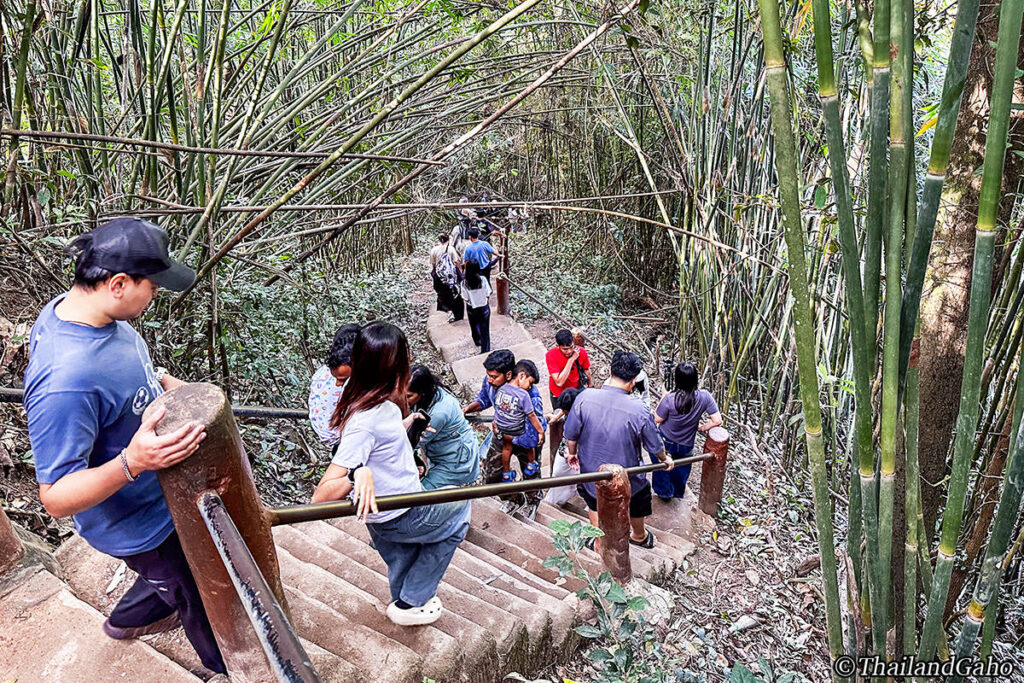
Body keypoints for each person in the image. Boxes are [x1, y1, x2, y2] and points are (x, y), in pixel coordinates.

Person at [23, 217, 226, 674]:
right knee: (201, 599)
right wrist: (133, 462)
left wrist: (163, 389)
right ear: (117, 283)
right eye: (152, 285)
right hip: (139, 526)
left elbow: (119, 389)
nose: (155, 294)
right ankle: (228, 666)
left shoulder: (77, 309)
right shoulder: (66, 382)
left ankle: (134, 616)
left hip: (162, 498)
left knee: (178, 578)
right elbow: (55, 497)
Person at [312, 322, 470, 627]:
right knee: (460, 510)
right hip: (399, 513)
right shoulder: (365, 419)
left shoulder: (378, 401)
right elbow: (320, 495)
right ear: (396, 365)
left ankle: (405, 602)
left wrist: (405, 426)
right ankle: (412, 601)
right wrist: (357, 474)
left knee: (403, 558)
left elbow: (378, 441)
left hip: (384, 515)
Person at [564, 350, 674, 550]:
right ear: (633, 380)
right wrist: (664, 459)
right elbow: (655, 446)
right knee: (636, 499)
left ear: (611, 372)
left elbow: (571, 434)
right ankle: (639, 536)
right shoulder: (639, 409)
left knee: (594, 500)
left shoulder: (584, 397)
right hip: (628, 476)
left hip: (591, 472)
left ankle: (599, 541)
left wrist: (572, 453)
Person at [653, 362, 723, 501]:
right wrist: (702, 427)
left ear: (677, 379)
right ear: (695, 379)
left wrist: (663, 396)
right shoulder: (704, 396)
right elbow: (717, 420)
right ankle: (678, 494)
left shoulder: (670, 399)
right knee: (681, 467)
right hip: (687, 441)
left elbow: (657, 419)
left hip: (666, 439)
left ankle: (664, 492)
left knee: (663, 464)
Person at [407, 365, 480, 489]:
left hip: (456, 460)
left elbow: (411, 443)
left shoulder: (438, 413)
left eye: (408, 396)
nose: (403, 400)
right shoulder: (431, 391)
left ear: (422, 393)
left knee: (422, 494)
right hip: (442, 451)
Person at [308, 323, 361, 448]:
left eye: (342, 380)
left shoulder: (321, 373)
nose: (338, 384)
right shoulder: (350, 378)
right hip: (340, 437)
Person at [493, 361, 545, 484]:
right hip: (518, 430)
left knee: (507, 448)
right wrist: (540, 431)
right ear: (521, 376)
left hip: (503, 429)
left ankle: (506, 474)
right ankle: (531, 465)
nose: (530, 387)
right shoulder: (523, 394)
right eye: (530, 383)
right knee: (529, 445)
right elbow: (532, 415)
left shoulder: (502, 389)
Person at [545, 329, 592, 464]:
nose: (569, 351)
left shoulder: (580, 352)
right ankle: (561, 446)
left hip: (575, 391)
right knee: (560, 421)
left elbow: (586, 369)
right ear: (558, 346)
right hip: (559, 394)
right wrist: (571, 360)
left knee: (578, 419)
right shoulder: (551, 355)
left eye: (571, 347)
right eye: (565, 349)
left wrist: (590, 384)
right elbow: (559, 381)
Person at [429, 234, 464, 323]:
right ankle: (457, 314)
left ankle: (449, 311)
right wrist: (461, 273)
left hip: (440, 277)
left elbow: (433, 265)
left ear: (439, 240)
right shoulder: (451, 249)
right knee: (455, 294)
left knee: (442, 295)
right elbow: (457, 262)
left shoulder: (434, 250)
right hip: (451, 277)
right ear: (448, 239)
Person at [461, 261, 492, 353]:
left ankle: (477, 340)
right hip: (483, 307)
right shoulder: (483, 280)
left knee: (473, 325)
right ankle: (485, 349)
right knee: (485, 329)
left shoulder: (464, 283)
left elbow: (465, 298)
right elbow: (488, 293)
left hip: (472, 308)